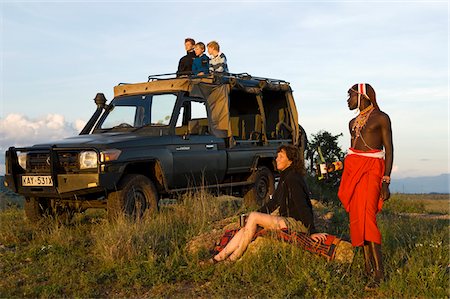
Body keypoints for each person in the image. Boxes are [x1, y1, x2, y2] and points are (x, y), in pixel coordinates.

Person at [211, 144, 327, 263]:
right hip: (285, 219)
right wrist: (256, 213)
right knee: (248, 223)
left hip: (296, 223)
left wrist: (312, 231)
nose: (276, 159)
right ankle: (219, 257)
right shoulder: (285, 176)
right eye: (277, 156)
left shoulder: (293, 178)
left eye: (281, 157)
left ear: (290, 160)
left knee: (254, 217)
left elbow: (303, 206)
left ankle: (233, 258)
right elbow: (274, 202)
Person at [338, 83, 393, 289]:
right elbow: (353, 151)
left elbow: (389, 148)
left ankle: (379, 273)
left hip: (372, 170)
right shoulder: (352, 122)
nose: (348, 100)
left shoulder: (381, 118)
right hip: (354, 170)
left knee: (368, 218)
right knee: (357, 218)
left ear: (362, 96)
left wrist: (385, 180)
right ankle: (367, 269)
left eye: (350, 96)